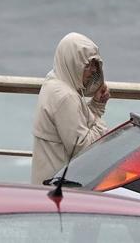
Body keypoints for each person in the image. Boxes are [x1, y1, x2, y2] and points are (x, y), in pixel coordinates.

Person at [30, 32, 111, 184]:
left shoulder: (53, 83)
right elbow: (84, 148)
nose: (93, 70)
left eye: (95, 64)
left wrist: (96, 106)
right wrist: (99, 119)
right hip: (60, 188)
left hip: (46, 183)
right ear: (73, 63)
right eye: (88, 65)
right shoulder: (66, 97)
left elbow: (72, 127)